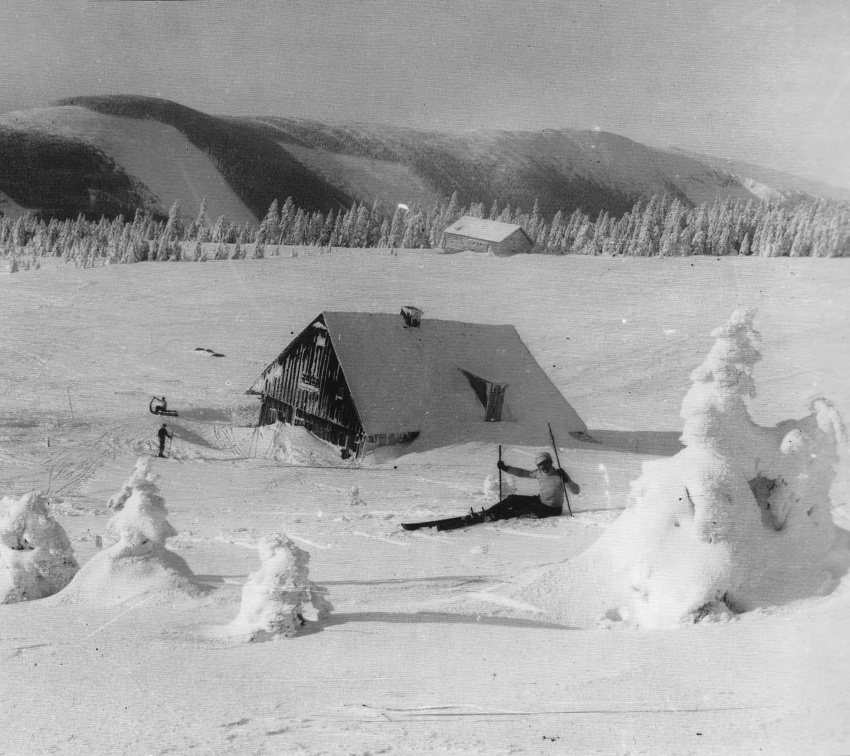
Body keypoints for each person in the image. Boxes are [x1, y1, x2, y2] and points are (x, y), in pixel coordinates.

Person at [486, 451, 580, 521]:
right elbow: (522, 473)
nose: (544, 467)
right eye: (541, 465)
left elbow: (576, 491)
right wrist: (506, 468)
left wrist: (566, 480)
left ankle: (494, 516)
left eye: (546, 463)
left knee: (521, 510)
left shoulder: (559, 474)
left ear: (550, 462)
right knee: (512, 499)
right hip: (540, 501)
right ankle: (488, 512)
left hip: (553, 509)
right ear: (538, 466)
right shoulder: (538, 473)